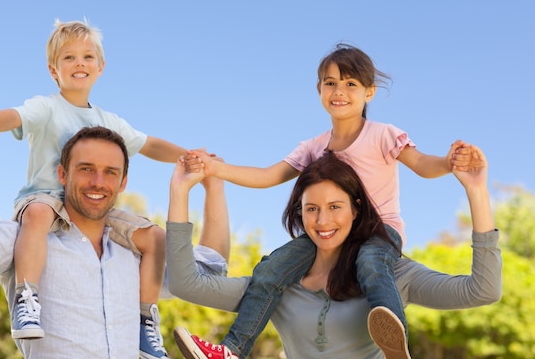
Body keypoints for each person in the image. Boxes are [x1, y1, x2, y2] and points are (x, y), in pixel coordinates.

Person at [183, 43, 473, 359]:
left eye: (351, 84)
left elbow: (421, 164)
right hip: (329, 234)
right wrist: (216, 168)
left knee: (371, 264)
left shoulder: (382, 135)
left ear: (369, 92)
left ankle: (394, 342)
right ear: (319, 89)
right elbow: (267, 176)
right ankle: (232, 350)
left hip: (379, 231)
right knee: (270, 269)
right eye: (331, 82)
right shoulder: (314, 146)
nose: (340, 91)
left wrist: (448, 162)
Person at [0, 19, 187, 358]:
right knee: (36, 214)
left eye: (87, 57)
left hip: (92, 208)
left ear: (101, 66)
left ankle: (144, 321)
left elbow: (149, 144)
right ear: (54, 70)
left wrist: (189, 157)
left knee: (155, 238)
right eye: (69, 58)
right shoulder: (46, 107)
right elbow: (14, 117)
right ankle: (27, 297)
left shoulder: (110, 121)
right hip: (46, 199)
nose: (80, 64)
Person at [0, 119, 229, 358]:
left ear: (123, 183)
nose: (98, 182)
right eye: (86, 168)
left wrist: (215, 186)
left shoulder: (139, 254)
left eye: (110, 172)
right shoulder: (27, 238)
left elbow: (210, 272)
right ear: (62, 175)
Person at [167, 150, 501, 359]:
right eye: (311, 209)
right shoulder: (277, 286)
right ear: (299, 213)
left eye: (335, 207)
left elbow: (483, 290)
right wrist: (180, 190)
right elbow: (187, 285)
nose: (323, 221)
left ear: (357, 209)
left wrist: (476, 191)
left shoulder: (392, 275)